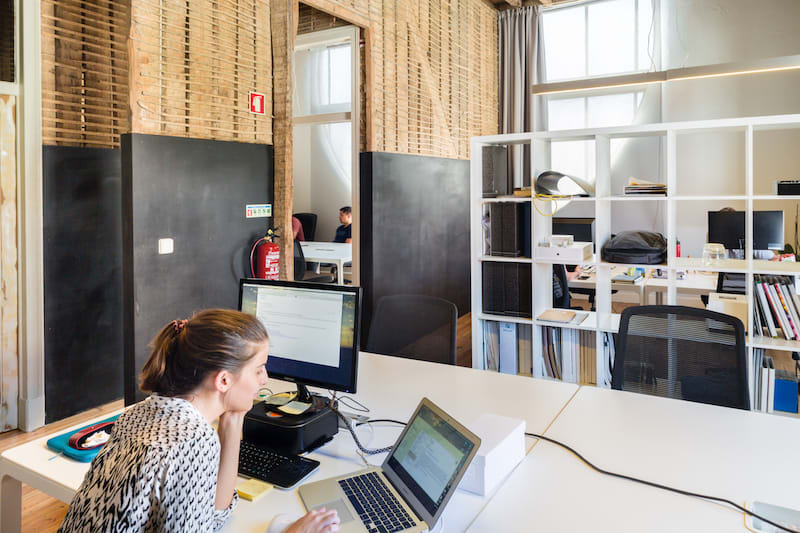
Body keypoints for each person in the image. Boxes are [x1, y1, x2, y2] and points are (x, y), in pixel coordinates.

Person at [58, 309, 339, 533]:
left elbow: (211, 515)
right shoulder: (193, 441)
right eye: (258, 369)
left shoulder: (139, 412)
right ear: (224, 380)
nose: (264, 380)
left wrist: (233, 421)